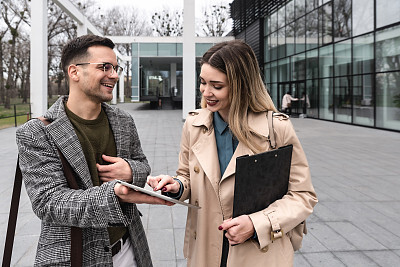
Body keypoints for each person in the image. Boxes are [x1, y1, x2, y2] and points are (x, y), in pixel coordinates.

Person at [147, 40, 317, 266]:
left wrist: (257, 224)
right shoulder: (193, 124)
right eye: (202, 82)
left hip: (259, 254)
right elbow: (187, 177)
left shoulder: (277, 129)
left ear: (241, 85)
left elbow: (303, 196)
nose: (206, 92)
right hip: (205, 253)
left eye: (217, 86)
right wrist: (176, 186)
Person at [16, 34, 172, 267]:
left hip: (130, 248)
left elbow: (142, 164)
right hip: (74, 256)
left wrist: (130, 171)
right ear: (74, 72)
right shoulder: (36, 132)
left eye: (116, 68)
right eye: (105, 67)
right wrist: (114, 193)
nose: (115, 75)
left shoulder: (123, 120)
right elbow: (48, 202)